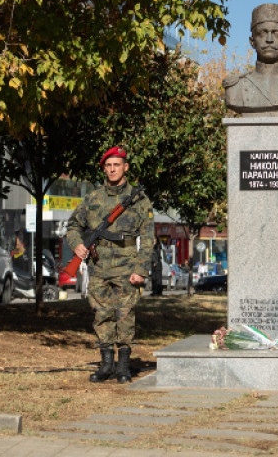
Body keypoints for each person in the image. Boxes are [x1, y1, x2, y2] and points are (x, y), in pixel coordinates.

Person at [66, 147, 154, 384]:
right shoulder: (93, 198)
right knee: (101, 314)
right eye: (108, 165)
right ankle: (106, 365)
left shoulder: (138, 199)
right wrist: (77, 245)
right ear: (104, 168)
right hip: (99, 265)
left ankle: (123, 366)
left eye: (117, 164)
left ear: (125, 167)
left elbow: (147, 239)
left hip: (127, 265)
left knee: (125, 315)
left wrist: (141, 270)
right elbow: (73, 225)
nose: (113, 169)